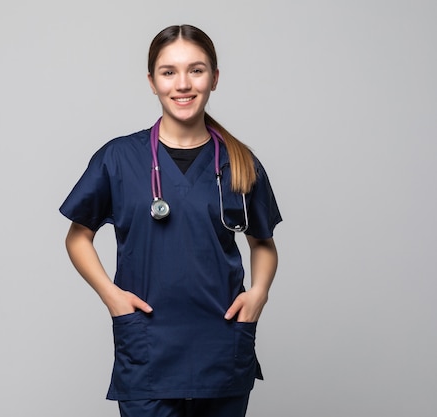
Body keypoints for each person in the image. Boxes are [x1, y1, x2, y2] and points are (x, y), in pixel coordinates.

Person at [59, 24, 282, 417]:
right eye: (169, 72)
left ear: (214, 78)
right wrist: (112, 296)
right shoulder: (118, 159)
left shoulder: (241, 162)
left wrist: (259, 291)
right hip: (148, 347)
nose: (183, 84)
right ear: (152, 81)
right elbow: (78, 238)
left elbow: (262, 243)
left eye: (196, 70)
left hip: (221, 343)